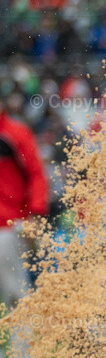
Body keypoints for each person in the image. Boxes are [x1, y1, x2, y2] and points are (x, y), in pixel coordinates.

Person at [0, 101, 49, 309]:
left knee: (16, 293)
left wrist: (36, 215)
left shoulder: (15, 133)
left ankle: (26, 332)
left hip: (10, 225)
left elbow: (37, 174)